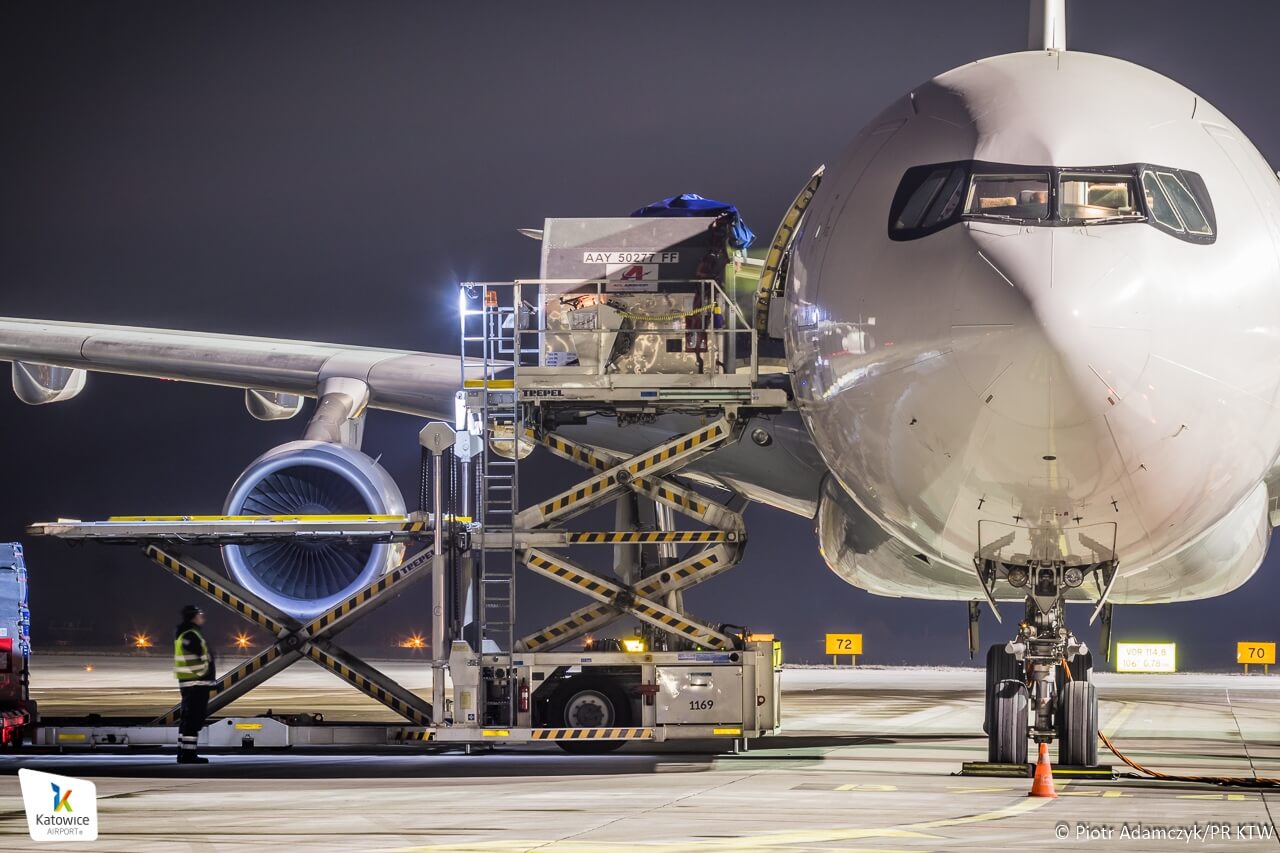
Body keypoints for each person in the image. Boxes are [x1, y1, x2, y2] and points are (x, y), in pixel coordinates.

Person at [173, 604, 215, 764]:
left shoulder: (186, 633)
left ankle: (183, 753)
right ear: (194, 617)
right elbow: (201, 658)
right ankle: (189, 755)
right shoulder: (190, 635)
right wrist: (207, 675)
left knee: (187, 719)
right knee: (193, 719)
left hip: (191, 682)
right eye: (200, 614)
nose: (202, 617)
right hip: (195, 683)